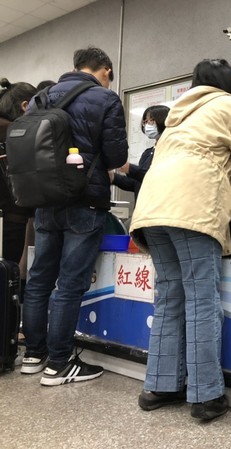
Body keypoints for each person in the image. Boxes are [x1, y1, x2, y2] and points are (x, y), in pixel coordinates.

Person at [129, 59, 231, 421]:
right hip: (192, 210)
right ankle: (206, 395)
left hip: (152, 212)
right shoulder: (228, 107)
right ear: (228, 83)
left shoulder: (176, 118)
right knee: (201, 300)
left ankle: (160, 386)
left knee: (169, 298)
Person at [21, 47, 128, 385]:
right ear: (106, 70)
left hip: (44, 200)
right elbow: (116, 156)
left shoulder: (41, 97)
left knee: (39, 279)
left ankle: (33, 356)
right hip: (84, 200)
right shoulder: (105, 99)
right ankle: (59, 363)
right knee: (69, 284)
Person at [0, 79, 36, 265]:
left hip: (9, 218)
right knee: (7, 272)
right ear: (25, 105)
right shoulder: (13, 132)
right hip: (11, 219)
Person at [111, 105, 170, 201]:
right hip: (143, 210)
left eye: (151, 120)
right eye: (145, 122)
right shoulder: (147, 153)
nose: (147, 125)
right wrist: (114, 178)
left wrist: (131, 169)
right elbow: (136, 184)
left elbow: (158, 179)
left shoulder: (171, 149)